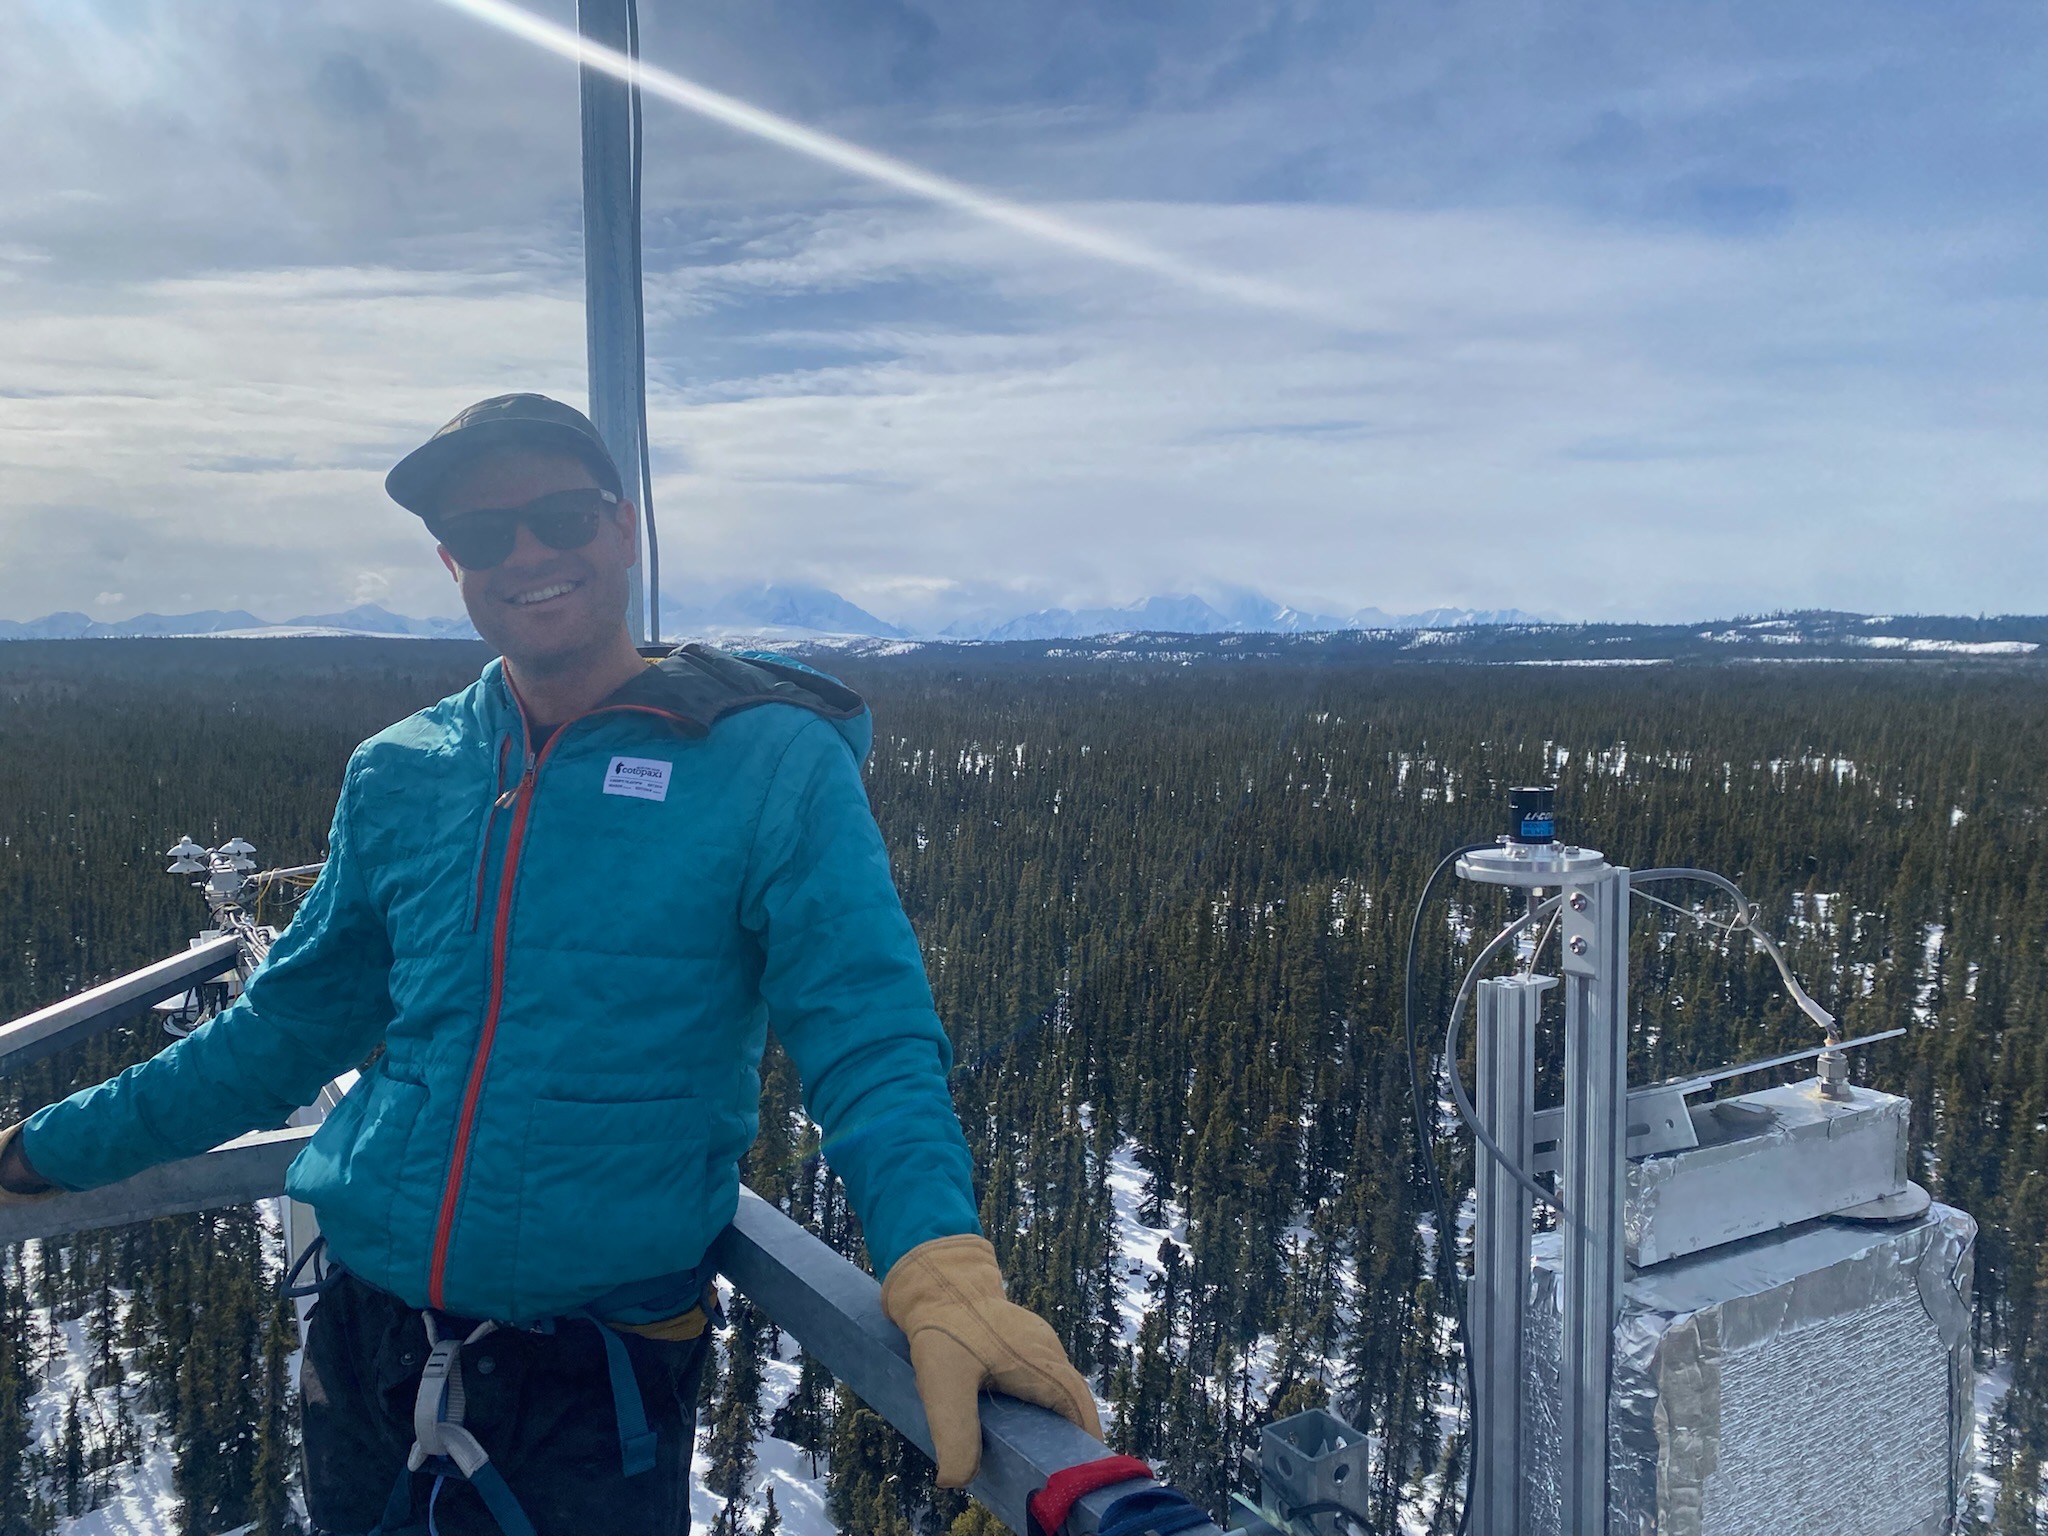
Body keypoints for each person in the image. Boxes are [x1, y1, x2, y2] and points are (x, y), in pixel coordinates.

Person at [0, 394, 1100, 1535]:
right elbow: (279, 1034)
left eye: (559, 518)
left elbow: (865, 1032)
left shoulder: (768, 759)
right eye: (484, 537)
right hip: (364, 1337)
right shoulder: (403, 770)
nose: (525, 554)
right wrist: (44, 1149)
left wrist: (940, 1263)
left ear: (620, 529)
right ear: (451, 563)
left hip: (592, 1374)